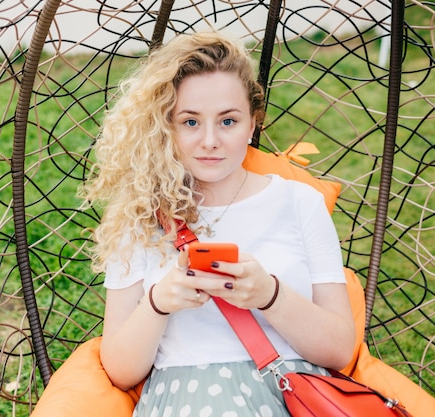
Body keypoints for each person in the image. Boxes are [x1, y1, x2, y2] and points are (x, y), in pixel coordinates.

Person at [79, 31, 355, 417]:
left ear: (253, 122)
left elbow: (341, 351)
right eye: (190, 121)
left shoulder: (298, 203)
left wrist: (270, 295)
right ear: (165, 126)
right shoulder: (139, 216)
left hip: (295, 394)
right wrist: (158, 303)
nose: (210, 140)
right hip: (187, 400)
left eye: (228, 120)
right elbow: (122, 372)